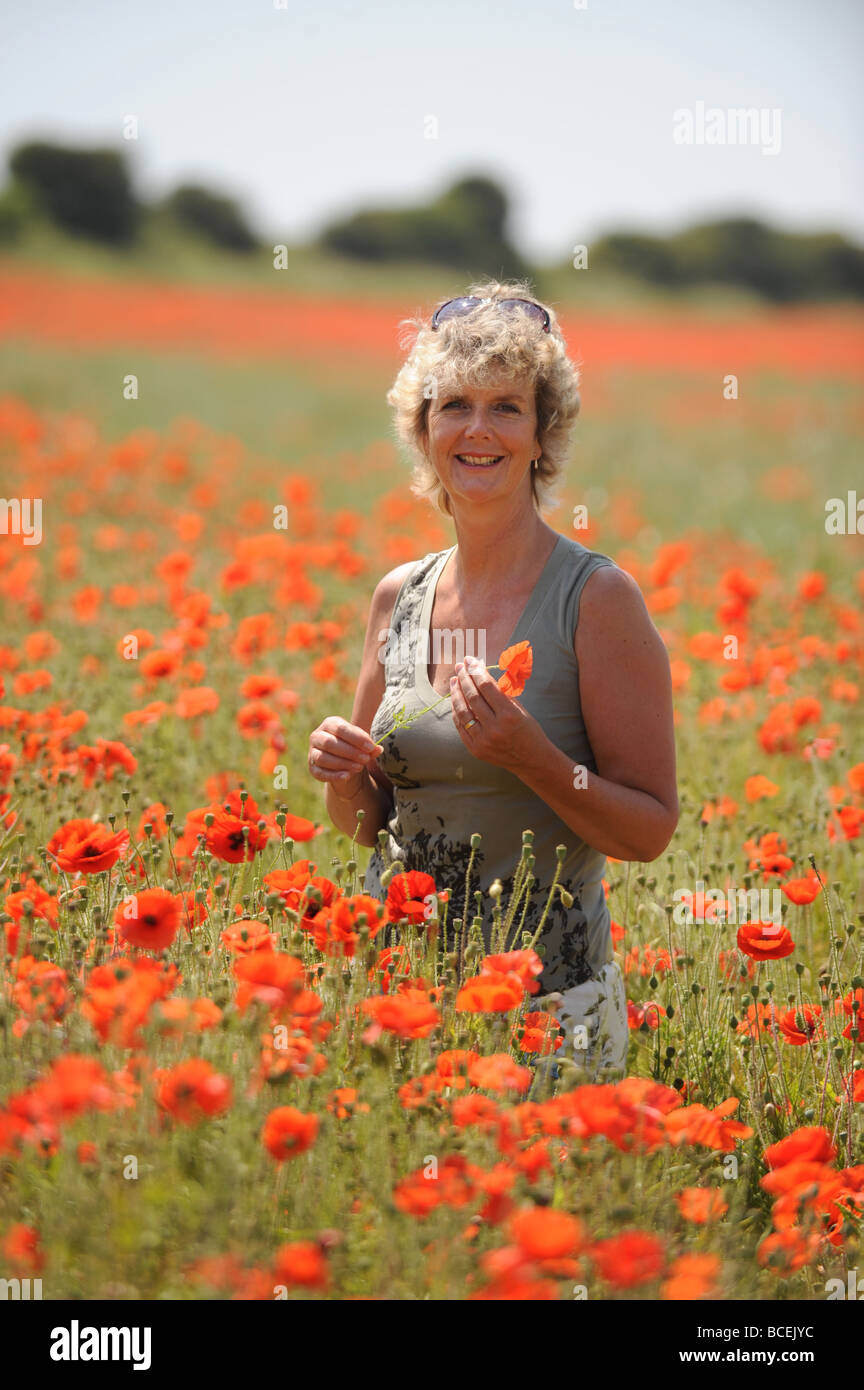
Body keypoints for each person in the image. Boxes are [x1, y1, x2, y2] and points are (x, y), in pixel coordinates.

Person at [307, 278, 679, 1077]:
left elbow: (648, 829)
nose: (478, 429)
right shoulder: (397, 596)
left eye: (506, 407)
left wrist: (532, 758)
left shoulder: (595, 600)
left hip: (548, 1016)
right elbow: (370, 821)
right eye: (454, 406)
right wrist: (342, 776)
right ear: (424, 430)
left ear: (543, 435)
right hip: (400, 1001)